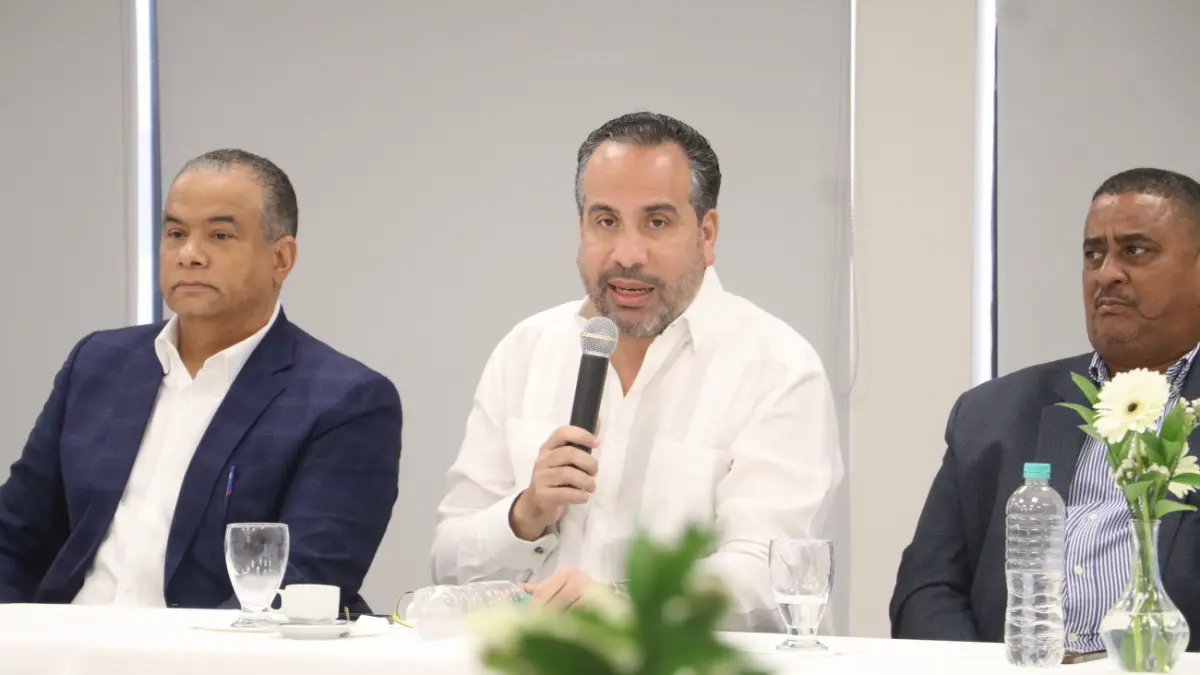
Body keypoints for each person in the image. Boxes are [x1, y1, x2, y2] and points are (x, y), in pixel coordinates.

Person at [431, 111, 842, 630]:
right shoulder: (526, 350)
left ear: (707, 235)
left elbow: (769, 570)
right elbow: (448, 562)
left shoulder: (777, 368)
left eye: (657, 222)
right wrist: (526, 513)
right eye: (606, 221)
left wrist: (622, 604)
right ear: (580, 228)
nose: (627, 254)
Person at [0, 149, 402, 613]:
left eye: (220, 235)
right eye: (176, 234)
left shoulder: (344, 401)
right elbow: (14, 536)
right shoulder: (98, 364)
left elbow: (301, 585)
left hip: (213, 647)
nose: (189, 255)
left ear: (281, 258)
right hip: (62, 641)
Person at [891, 168, 1200, 652]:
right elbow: (927, 591)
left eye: (1136, 251)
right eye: (1093, 254)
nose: (1107, 273)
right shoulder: (993, 413)